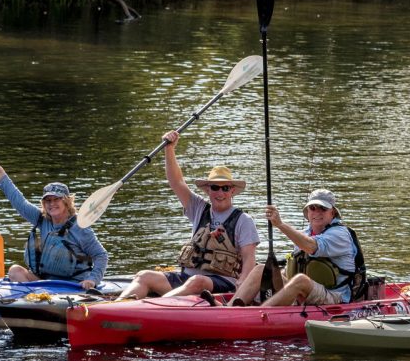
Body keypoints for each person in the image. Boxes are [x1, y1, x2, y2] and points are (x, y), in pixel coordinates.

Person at [116, 131, 260, 300]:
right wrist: (169, 149)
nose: (220, 192)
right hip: (187, 280)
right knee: (144, 276)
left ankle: (155, 306)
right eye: (214, 187)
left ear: (232, 191)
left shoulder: (243, 221)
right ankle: (117, 306)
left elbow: (249, 258)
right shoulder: (199, 208)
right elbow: (176, 182)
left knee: (197, 281)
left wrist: (242, 282)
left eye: (225, 188)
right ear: (207, 189)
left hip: (222, 283)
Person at [228, 189, 362, 307]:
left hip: (334, 296)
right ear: (307, 211)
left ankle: (260, 313)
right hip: (305, 293)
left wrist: (280, 224)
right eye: (313, 208)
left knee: (300, 280)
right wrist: (272, 277)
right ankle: (229, 308)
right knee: (261, 270)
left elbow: (311, 246)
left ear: (332, 213)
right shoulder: (304, 234)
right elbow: (293, 267)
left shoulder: (340, 234)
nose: (317, 212)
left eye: (323, 208)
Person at [0, 163, 108, 289]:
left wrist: (92, 280)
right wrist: (2, 176)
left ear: (66, 201)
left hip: (73, 286)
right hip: (46, 283)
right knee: (14, 271)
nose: (52, 204)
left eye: (56, 199)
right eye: (48, 200)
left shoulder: (80, 227)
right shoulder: (42, 219)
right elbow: (20, 203)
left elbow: (101, 255)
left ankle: (37, 300)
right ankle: (34, 300)